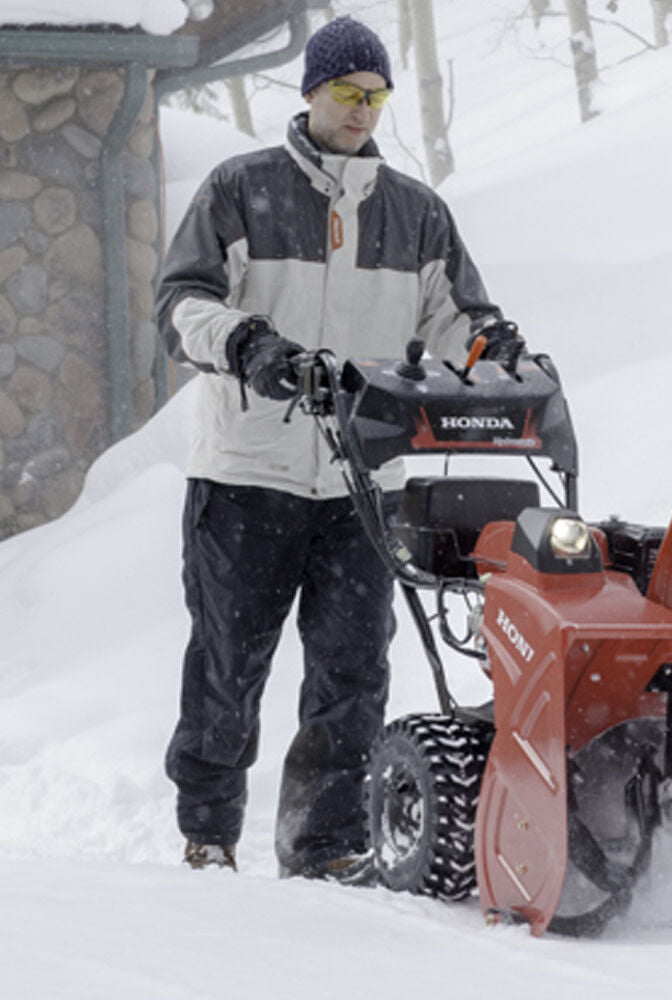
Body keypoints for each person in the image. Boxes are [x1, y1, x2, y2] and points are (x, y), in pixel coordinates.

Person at [157, 15, 520, 881]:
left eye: (377, 96)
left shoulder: (415, 213)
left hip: (362, 480)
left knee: (352, 669)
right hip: (247, 472)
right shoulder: (241, 189)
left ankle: (321, 844)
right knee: (228, 663)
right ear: (312, 92)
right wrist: (251, 345)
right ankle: (208, 834)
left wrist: (495, 348)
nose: (362, 110)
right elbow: (181, 304)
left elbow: (459, 320)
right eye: (348, 93)